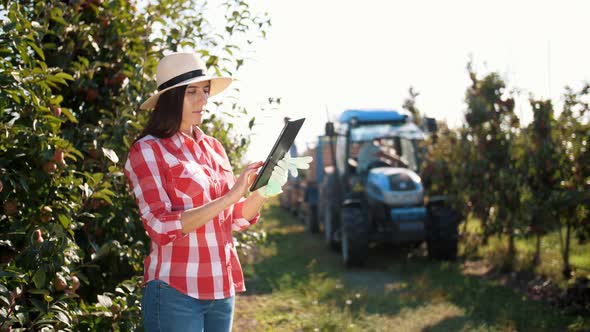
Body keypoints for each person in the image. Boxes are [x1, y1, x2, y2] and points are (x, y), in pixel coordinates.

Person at [124, 52, 312, 331]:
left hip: (221, 289)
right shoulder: (149, 150)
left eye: (205, 91)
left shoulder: (213, 147)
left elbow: (234, 218)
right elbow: (159, 225)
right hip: (176, 290)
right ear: (171, 98)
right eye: (192, 92)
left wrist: (265, 188)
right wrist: (230, 196)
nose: (203, 100)